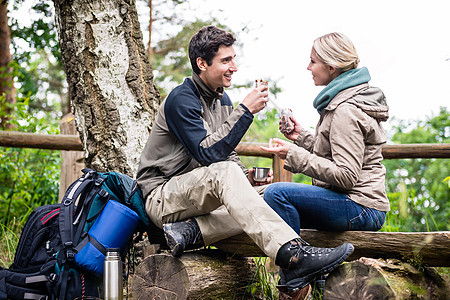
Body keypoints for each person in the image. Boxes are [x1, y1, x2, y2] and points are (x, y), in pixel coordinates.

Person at [136, 26, 354, 296]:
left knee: (273, 194)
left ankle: (191, 232)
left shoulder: (221, 98)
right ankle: (294, 257)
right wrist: (246, 111)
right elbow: (208, 154)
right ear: (202, 64)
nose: (234, 67)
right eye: (225, 61)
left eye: (233, 59)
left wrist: (246, 179)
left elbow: (225, 153)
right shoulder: (181, 100)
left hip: (196, 198)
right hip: (162, 197)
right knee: (226, 173)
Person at [261, 32, 390, 238]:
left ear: (331, 67)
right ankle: (306, 264)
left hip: (361, 206)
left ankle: (298, 264)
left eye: (313, 61)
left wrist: (293, 155)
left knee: (276, 194)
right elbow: (336, 154)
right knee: (268, 201)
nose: (308, 67)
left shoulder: (345, 109)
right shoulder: (344, 101)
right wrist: (301, 137)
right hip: (358, 204)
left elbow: (346, 176)